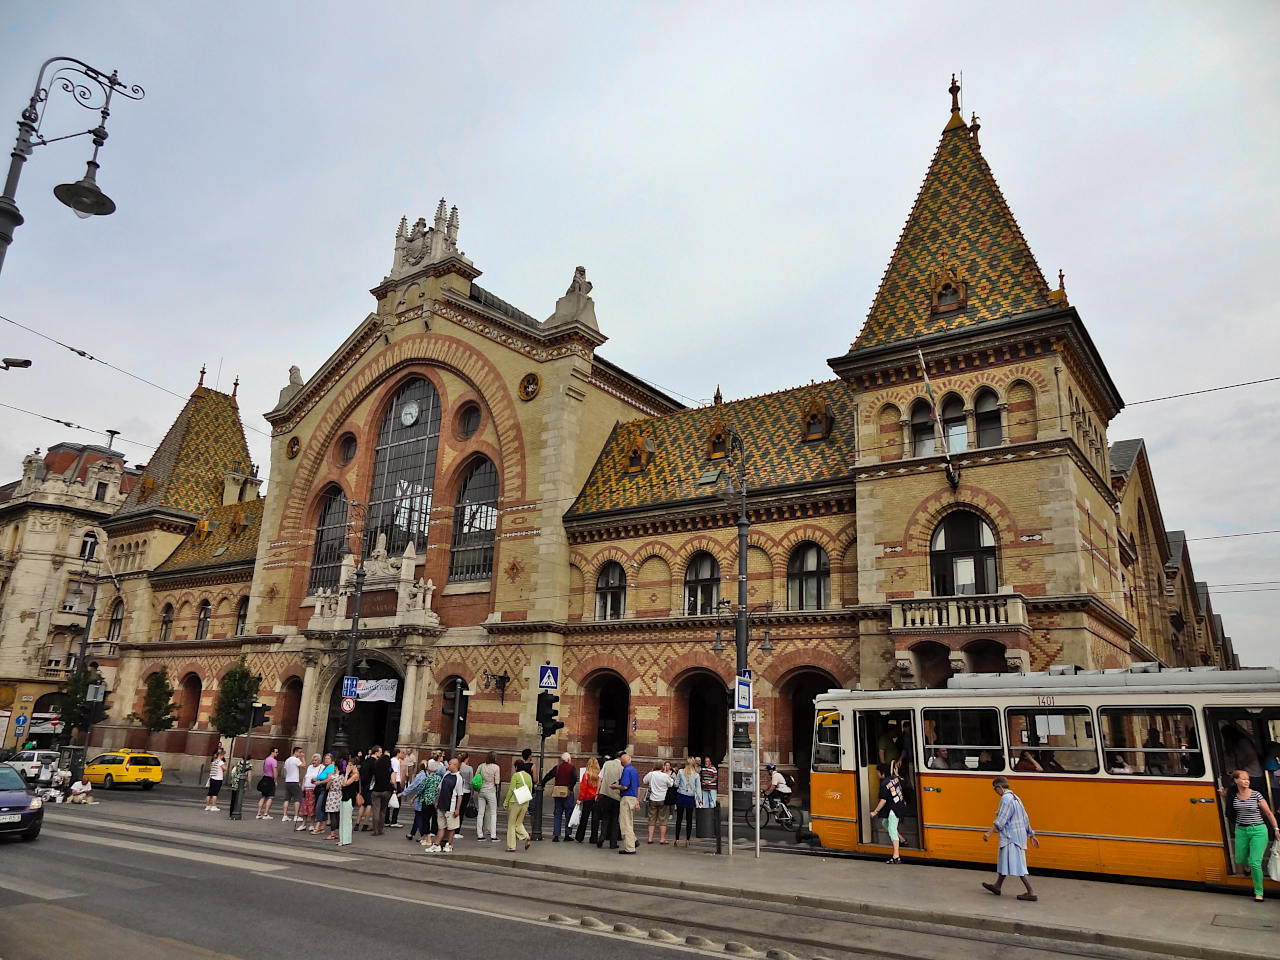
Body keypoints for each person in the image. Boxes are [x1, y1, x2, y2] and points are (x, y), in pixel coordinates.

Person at [1218, 769, 1279, 902]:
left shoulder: (1256, 795)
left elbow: (1268, 813)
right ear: (1236, 781)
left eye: (1248, 779)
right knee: (1240, 859)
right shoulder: (1232, 795)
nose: (1246, 781)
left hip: (1258, 831)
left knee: (1255, 862)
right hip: (1241, 831)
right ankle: (1246, 867)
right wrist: (1224, 796)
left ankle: (1259, 892)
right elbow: (1229, 810)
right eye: (1243, 779)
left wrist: (1276, 828)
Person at [981, 776, 1039, 901]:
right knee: (1004, 861)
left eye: (995, 789)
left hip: (1010, 837)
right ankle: (997, 886)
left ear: (999, 787)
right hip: (1017, 837)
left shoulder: (1006, 799)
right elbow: (1025, 818)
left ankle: (1031, 892)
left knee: (1019, 865)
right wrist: (1031, 834)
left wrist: (989, 833)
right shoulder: (1016, 798)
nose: (995, 792)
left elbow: (1001, 819)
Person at [870, 761, 906, 863]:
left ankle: (896, 856)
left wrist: (875, 812)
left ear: (881, 773)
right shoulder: (894, 778)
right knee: (885, 823)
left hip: (894, 809)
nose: (876, 774)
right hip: (899, 806)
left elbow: (883, 800)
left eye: (877, 772)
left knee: (892, 829)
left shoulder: (884, 784)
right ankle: (902, 839)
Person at [433, 757, 462, 853]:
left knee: (451, 827)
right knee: (441, 826)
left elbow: (460, 795)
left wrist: (457, 809)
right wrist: (437, 800)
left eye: (450, 764)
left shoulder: (458, 778)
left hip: (451, 806)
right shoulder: (446, 774)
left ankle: (449, 844)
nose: (448, 765)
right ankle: (437, 844)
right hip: (442, 804)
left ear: (455, 765)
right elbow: (440, 789)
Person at [504, 760, 534, 851]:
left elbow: (511, 790)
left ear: (516, 767)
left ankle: (511, 846)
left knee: (511, 824)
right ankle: (526, 836)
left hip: (515, 801)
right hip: (525, 802)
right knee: (519, 823)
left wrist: (506, 802)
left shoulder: (516, 776)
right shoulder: (529, 776)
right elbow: (530, 790)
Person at [672, 757, 702, 847]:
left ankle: (677, 839)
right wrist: (700, 800)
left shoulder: (681, 772)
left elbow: (676, 784)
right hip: (690, 797)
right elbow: (698, 789)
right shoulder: (696, 775)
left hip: (681, 796)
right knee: (689, 819)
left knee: (679, 819)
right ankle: (687, 840)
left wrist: (674, 780)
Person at [643, 761, 674, 845]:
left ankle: (650, 838)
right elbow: (671, 784)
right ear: (662, 767)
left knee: (651, 819)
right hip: (663, 799)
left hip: (653, 798)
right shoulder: (665, 776)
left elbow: (644, 781)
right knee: (663, 819)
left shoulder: (651, 774)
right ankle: (662, 839)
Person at [596, 754, 622, 849]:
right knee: (615, 820)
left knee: (605, 818)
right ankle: (613, 843)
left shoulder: (606, 764)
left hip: (605, 794)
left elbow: (600, 778)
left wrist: (597, 792)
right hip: (616, 796)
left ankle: (602, 837)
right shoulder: (623, 767)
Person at [616, 751, 640, 854]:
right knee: (629, 821)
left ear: (622, 762)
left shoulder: (626, 770)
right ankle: (633, 840)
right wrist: (637, 801)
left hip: (626, 798)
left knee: (625, 823)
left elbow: (624, 786)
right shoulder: (634, 770)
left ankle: (630, 848)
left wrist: (615, 786)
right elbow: (638, 787)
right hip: (633, 797)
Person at [475, 751, 502, 842]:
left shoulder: (481, 766)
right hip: (491, 791)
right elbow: (497, 782)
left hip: (481, 791)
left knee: (480, 813)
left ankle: (480, 834)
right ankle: (493, 835)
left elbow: (476, 777)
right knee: (493, 813)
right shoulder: (496, 767)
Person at [551, 752, 577, 842]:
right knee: (568, 814)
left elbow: (549, 775)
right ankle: (567, 834)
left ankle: (556, 835)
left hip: (558, 793)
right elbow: (574, 778)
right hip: (568, 793)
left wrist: (542, 784)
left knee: (557, 814)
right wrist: (570, 788)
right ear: (569, 759)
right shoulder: (572, 768)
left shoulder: (557, 767)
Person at [417, 759, 443, 849]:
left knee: (426, 819)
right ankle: (426, 837)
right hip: (435, 801)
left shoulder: (427, 779)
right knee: (434, 818)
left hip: (427, 800)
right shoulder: (439, 778)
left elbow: (421, 789)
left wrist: (415, 797)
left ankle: (428, 838)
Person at [575, 757, 601, 844]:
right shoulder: (599, 775)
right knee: (595, 819)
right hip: (596, 798)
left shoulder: (586, 775)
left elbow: (583, 788)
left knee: (584, 818)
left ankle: (580, 836)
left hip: (587, 798)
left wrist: (580, 799)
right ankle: (594, 838)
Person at [402, 760, 428, 842]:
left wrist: (403, 793)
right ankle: (412, 833)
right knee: (418, 816)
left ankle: (423, 835)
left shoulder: (420, 775)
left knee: (418, 817)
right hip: (425, 799)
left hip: (419, 799)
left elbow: (413, 786)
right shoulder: (427, 775)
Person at [370, 746, 393, 836]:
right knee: (383, 811)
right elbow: (393, 781)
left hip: (376, 790)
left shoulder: (376, 768)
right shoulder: (390, 769)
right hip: (386, 791)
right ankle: (381, 829)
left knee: (376, 810)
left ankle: (375, 830)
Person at [338, 750, 360, 846]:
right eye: (348, 765)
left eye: (350, 765)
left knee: (347, 819)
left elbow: (345, 783)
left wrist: (346, 773)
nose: (348, 767)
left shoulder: (355, 775)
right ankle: (342, 838)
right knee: (342, 818)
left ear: (354, 766)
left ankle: (346, 839)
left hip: (349, 798)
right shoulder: (351, 774)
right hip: (344, 797)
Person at [299, 753, 322, 833]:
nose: (313, 762)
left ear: (319, 761)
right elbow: (305, 777)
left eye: (315, 760)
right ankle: (303, 824)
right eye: (313, 760)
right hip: (306, 789)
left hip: (313, 790)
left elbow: (321, 778)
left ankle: (312, 824)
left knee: (312, 807)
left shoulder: (321, 767)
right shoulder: (309, 767)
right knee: (304, 807)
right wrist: (303, 785)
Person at [281, 746, 304, 824]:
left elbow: (285, 770)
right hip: (294, 781)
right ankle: (296, 816)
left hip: (288, 781)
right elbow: (304, 766)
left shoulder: (287, 760)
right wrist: (303, 758)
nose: (301, 754)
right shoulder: (296, 760)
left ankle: (284, 815)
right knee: (297, 798)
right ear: (296, 752)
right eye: (300, 752)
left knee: (287, 798)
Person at [321, 754, 341, 839]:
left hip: (332, 795)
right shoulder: (342, 777)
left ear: (335, 767)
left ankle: (332, 833)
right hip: (339, 795)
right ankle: (337, 832)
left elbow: (327, 786)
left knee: (332, 815)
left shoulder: (333, 777)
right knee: (337, 815)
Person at [256, 747, 279, 820]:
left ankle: (258, 813)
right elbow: (274, 771)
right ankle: (265, 814)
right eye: (276, 752)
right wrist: (275, 780)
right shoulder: (274, 761)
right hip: (270, 779)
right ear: (272, 752)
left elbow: (264, 768)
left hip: (264, 778)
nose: (277, 753)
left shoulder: (266, 759)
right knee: (270, 797)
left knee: (263, 796)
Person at [455, 751, 473, 838]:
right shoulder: (469, 768)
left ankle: (452, 828)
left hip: (457, 791)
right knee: (461, 811)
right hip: (466, 791)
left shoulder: (457, 766)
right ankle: (457, 831)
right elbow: (471, 781)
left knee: (455, 809)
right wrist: (472, 793)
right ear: (467, 759)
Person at [204, 748, 227, 812]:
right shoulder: (220, 762)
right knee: (215, 793)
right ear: (221, 755)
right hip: (218, 779)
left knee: (209, 793)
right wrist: (223, 769)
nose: (223, 756)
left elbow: (211, 769)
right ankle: (213, 806)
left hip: (212, 778)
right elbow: (225, 769)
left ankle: (207, 806)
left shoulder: (214, 761)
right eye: (223, 755)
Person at [387, 747, 403, 827]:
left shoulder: (391, 760)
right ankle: (394, 820)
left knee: (389, 801)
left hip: (391, 782)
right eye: (401, 753)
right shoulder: (396, 761)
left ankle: (386, 820)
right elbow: (395, 773)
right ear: (398, 753)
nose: (402, 754)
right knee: (398, 802)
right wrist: (396, 786)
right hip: (396, 781)